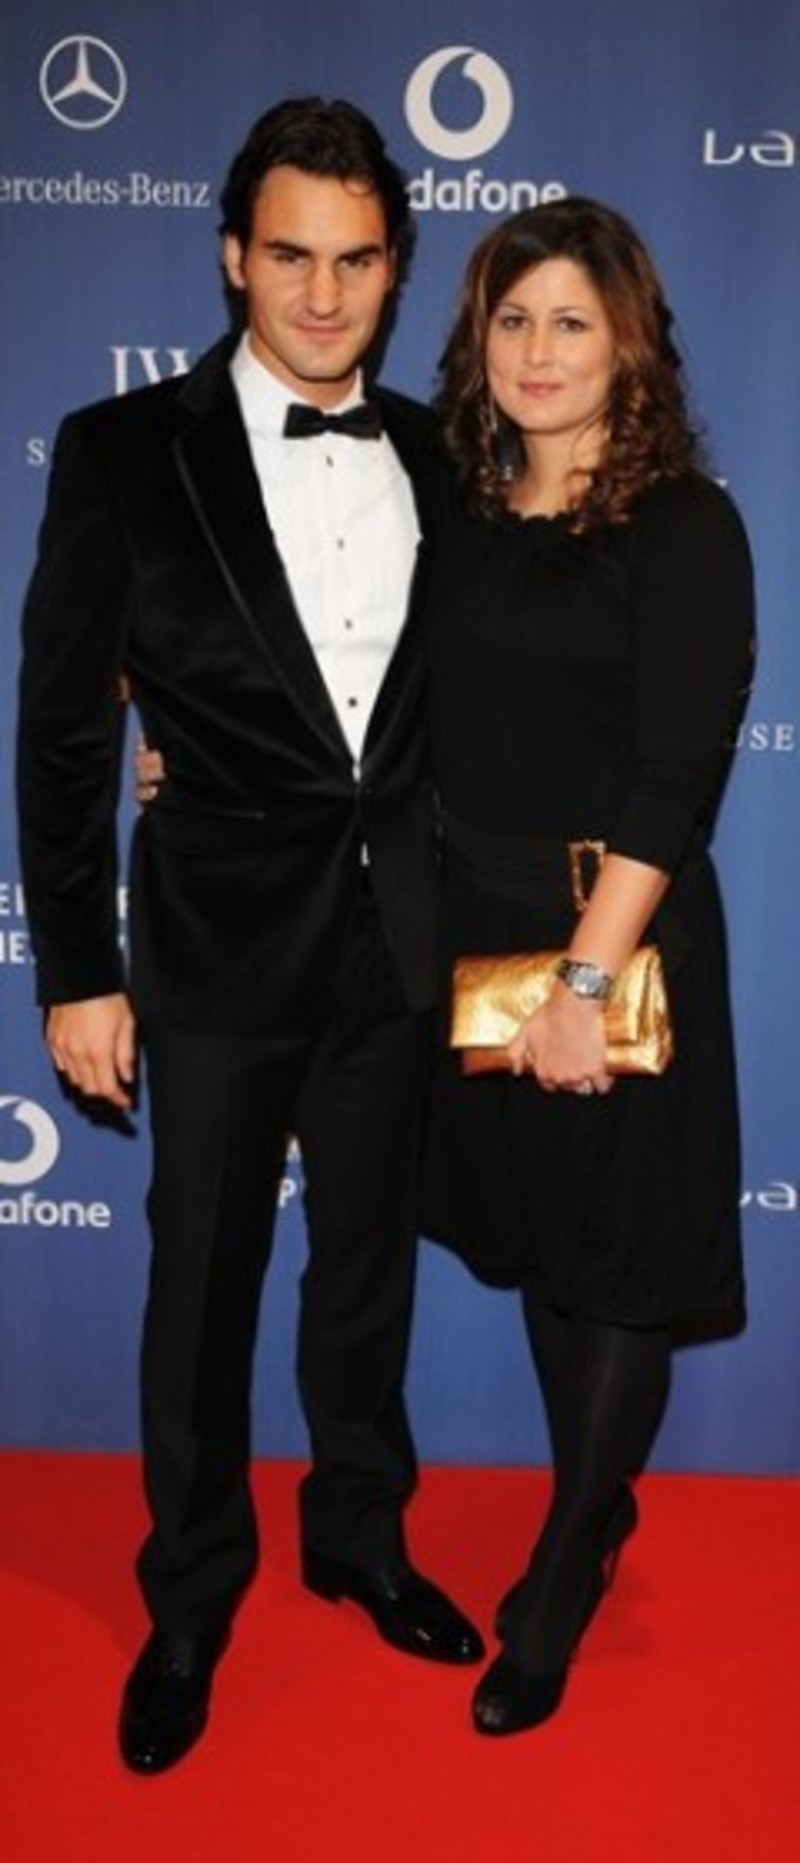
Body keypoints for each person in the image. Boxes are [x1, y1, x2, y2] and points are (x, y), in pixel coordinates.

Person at [15, 95, 484, 1777]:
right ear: (232, 257)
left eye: (356, 260)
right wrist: (79, 969)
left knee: (364, 1272)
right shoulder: (120, 451)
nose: (323, 293)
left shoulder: (446, 453)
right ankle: (192, 1594)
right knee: (201, 1286)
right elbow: (64, 733)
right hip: (211, 947)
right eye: (290, 255)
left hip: (396, 942)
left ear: (394, 267)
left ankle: (358, 1533)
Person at [419, 196, 755, 1735]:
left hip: (611, 934)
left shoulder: (683, 527)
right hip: (470, 923)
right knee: (550, 1248)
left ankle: (564, 1570)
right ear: (477, 341)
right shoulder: (459, 513)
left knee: (617, 1261)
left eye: (572, 320)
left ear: (630, 343)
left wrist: (581, 984)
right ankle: (592, 1502)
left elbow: (677, 774)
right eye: (513, 318)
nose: (539, 350)